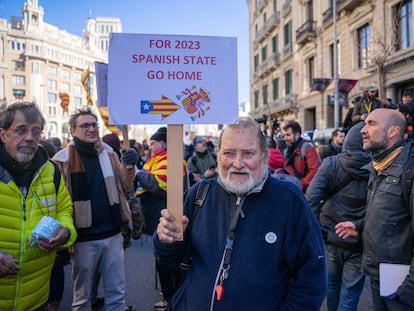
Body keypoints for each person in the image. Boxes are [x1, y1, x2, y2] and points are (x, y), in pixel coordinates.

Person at [154, 117, 327, 310]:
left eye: (248, 153)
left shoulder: (289, 201)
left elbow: (311, 281)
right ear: (218, 155)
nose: (237, 163)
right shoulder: (199, 194)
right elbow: (168, 260)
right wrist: (165, 240)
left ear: (264, 156)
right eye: (229, 153)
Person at [52, 107, 138, 311]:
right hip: (82, 239)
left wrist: (129, 167)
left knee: (117, 296)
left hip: (113, 234)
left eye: (94, 125)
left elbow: (124, 187)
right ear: (72, 130)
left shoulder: (109, 154)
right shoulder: (60, 160)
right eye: (85, 125)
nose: (91, 129)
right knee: (83, 299)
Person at [0, 102, 77, 311]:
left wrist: (65, 231)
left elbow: (64, 210)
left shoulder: (51, 171)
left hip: (37, 298)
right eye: (21, 130)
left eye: (36, 132)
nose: (29, 138)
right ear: (3, 134)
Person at [336, 108, 414, 310]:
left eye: (371, 124)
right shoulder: (378, 166)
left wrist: (408, 292)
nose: (362, 130)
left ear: (392, 131)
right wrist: (361, 225)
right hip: (379, 275)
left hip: (403, 286)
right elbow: (390, 214)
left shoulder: (408, 169)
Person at [306, 122, 371, 311]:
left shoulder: (331, 164)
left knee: (332, 284)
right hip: (359, 238)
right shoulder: (377, 167)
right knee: (350, 293)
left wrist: (315, 230)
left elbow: (311, 198)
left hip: (331, 234)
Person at [134, 126, 188, 310]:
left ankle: (171, 298)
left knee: (165, 258)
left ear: (164, 143)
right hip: (158, 213)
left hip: (167, 213)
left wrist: (138, 174)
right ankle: (170, 295)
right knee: (162, 256)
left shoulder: (170, 159)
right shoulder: (157, 159)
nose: (150, 146)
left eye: (153, 143)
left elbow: (159, 185)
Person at [282, 121, 320, 192]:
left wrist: (300, 184)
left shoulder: (307, 149)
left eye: (288, 135)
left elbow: (314, 170)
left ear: (297, 135)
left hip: (304, 190)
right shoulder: (287, 151)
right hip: (293, 188)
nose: (285, 138)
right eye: (284, 135)